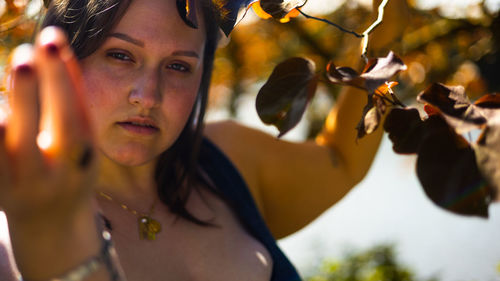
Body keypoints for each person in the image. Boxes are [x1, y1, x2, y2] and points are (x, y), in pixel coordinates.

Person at [0, 0, 408, 280]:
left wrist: (390, 20)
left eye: (178, 66)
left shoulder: (228, 161)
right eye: (120, 55)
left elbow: (342, 159)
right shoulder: (18, 233)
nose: (148, 94)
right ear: (63, 55)